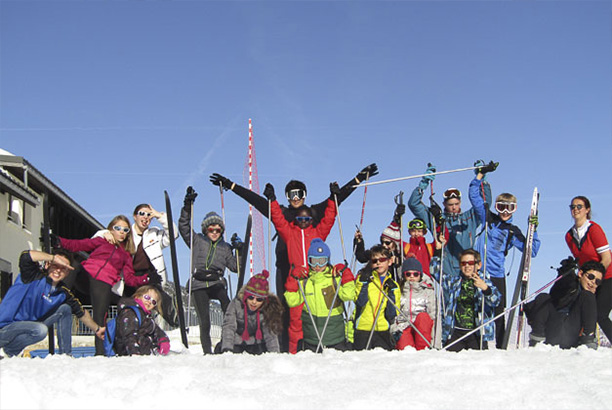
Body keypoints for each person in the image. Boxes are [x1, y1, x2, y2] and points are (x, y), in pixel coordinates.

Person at [210, 163, 378, 351]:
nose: (295, 198)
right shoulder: (282, 214)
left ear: (305, 195)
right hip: (287, 268)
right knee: (285, 310)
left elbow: (337, 202)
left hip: (314, 269)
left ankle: (314, 341)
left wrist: (358, 179)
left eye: (298, 193)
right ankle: (283, 346)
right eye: (291, 194)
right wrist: (231, 185)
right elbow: (257, 201)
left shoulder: (313, 214)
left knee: (312, 309)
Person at [409, 162, 494, 342]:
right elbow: (414, 204)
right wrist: (424, 183)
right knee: (450, 311)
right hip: (447, 273)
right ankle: (449, 342)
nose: (454, 207)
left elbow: (484, 206)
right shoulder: (438, 220)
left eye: (456, 203)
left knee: (472, 308)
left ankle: (477, 340)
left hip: (469, 272)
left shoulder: (469, 218)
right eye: (450, 204)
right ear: (444, 204)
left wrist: (482, 178)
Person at [264, 182, 338, 354]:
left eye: (306, 219)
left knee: (317, 314)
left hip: (315, 278)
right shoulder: (290, 234)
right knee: (295, 320)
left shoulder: (318, 233)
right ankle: (294, 351)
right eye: (300, 219)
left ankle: (321, 345)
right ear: (295, 220)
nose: (303, 222)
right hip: (296, 279)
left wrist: (333, 199)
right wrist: (273, 200)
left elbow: (329, 220)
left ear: (311, 220)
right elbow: (278, 219)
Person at [56, 215, 144, 356]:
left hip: (103, 283)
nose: (121, 232)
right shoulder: (101, 241)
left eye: (125, 229)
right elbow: (79, 245)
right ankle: (60, 294)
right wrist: (60, 242)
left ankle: (100, 354)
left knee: (99, 318)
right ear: (111, 229)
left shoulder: (126, 254)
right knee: (75, 264)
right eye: (118, 228)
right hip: (87, 275)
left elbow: (129, 279)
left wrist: (145, 279)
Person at [0, 249, 104, 357]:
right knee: (40, 330)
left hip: (27, 328)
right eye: (56, 265)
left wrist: (97, 329)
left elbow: (80, 312)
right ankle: (8, 351)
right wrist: (53, 258)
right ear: (48, 265)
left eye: (63, 268)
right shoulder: (31, 275)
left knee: (65, 309)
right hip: (5, 328)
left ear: (68, 272)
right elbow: (26, 256)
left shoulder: (63, 292)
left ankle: (66, 355)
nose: (58, 270)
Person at [475, 192, 541, 349]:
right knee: (478, 310)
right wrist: (479, 178)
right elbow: (475, 199)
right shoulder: (487, 219)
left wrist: (534, 230)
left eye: (509, 208)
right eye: (501, 207)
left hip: (497, 274)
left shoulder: (512, 231)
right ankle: (479, 344)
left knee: (498, 312)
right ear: (496, 208)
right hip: (478, 273)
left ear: (514, 210)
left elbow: (532, 251)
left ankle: (501, 346)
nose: (505, 212)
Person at [98, 203, 179, 327]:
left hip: (149, 277)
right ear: (135, 216)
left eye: (149, 215)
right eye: (142, 213)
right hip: (128, 277)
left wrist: (159, 215)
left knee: (159, 297)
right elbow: (103, 234)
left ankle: (178, 323)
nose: (145, 217)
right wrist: (105, 233)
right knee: (130, 308)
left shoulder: (154, 234)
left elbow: (173, 235)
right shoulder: (126, 233)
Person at [179, 186, 239, 355]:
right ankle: (207, 352)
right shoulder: (197, 240)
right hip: (199, 282)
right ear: (206, 229)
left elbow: (235, 268)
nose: (214, 232)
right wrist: (187, 207)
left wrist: (239, 250)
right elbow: (184, 227)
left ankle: (226, 343)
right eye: (211, 229)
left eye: (218, 230)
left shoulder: (225, 247)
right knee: (204, 320)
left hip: (216, 282)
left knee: (228, 308)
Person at [284, 238, 356, 352]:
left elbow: (348, 295)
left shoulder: (334, 278)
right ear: (308, 261)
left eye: (322, 261)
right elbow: (292, 301)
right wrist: (293, 280)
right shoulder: (305, 281)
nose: (317, 266)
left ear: (328, 260)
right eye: (313, 261)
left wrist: (346, 276)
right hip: (312, 339)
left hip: (335, 339)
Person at [525, 260, 604, 349]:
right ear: (580, 274)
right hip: (554, 328)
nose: (593, 282)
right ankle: (536, 339)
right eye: (591, 277)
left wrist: (591, 296)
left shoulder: (590, 297)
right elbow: (559, 290)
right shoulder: (570, 284)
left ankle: (588, 341)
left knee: (587, 295)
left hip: (571, 333)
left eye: (597, 281)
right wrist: (566, 273)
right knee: (543, 297)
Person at [565, 196, 612, 344]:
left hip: (608, 276)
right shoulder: (569, 236)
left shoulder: (594, 229)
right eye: (573, 207)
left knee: (600, 314)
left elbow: (606, 258)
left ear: (587, 209)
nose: (575, 210)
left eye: (579, 206)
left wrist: (595, 278)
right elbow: (581, 262)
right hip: (590, 280)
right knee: (584, 309)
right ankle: (581, 340)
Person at [443, 249, 501, 352]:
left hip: (477, 333)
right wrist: (438, 250)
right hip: (456, 332)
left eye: (470, 263)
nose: (467, 266)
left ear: (478, 265)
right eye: (463, 263)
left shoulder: (485, 281)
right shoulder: (454, 282)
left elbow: (496, 301)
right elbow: (435, 272)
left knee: (476, 365)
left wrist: (486, 289)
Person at [219, 270, 284, 354]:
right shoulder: (235, 304)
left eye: (259, 299)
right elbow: (229, 327)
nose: (254, 302)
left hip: (256, 344)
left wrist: (275, 355)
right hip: (236, 343)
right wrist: (227, 350)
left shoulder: (267, 309)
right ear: (245, 296)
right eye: (251, 297)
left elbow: (270, 335)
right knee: (220, 348)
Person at [353, 245, 401, 351]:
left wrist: (391, 293)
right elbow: (360, 302)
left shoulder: (394, 285)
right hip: (363, 329)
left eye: (382, 259)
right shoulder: (363, 279)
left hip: (382, 330)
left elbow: (392, 313)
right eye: (375, 260)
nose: (378, 263)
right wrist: (364, 283)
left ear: (389, 261)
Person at [391, 257, 436, 351]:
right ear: (404, 275)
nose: (412, 277)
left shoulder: (427, 291)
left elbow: (433, 315)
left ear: (420, 275)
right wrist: (394, 329)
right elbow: (393, 313)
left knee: (423, 317)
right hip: (404, 326)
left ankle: (423, 350)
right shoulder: (399, 290)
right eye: (408, 274)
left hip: (421, 327)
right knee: (406, 349)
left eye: (415, 274)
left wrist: (436, 340)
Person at [113, 285, 170, 356]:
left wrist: (163, 340)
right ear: (137, 296)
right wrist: (135, 354)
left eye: (153, 302)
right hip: (129, 354)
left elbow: (156, 330)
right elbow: (129, 336)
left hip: (144, 353)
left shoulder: (146, 317)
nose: (149, 301)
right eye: (147, 297)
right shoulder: (130, 313)